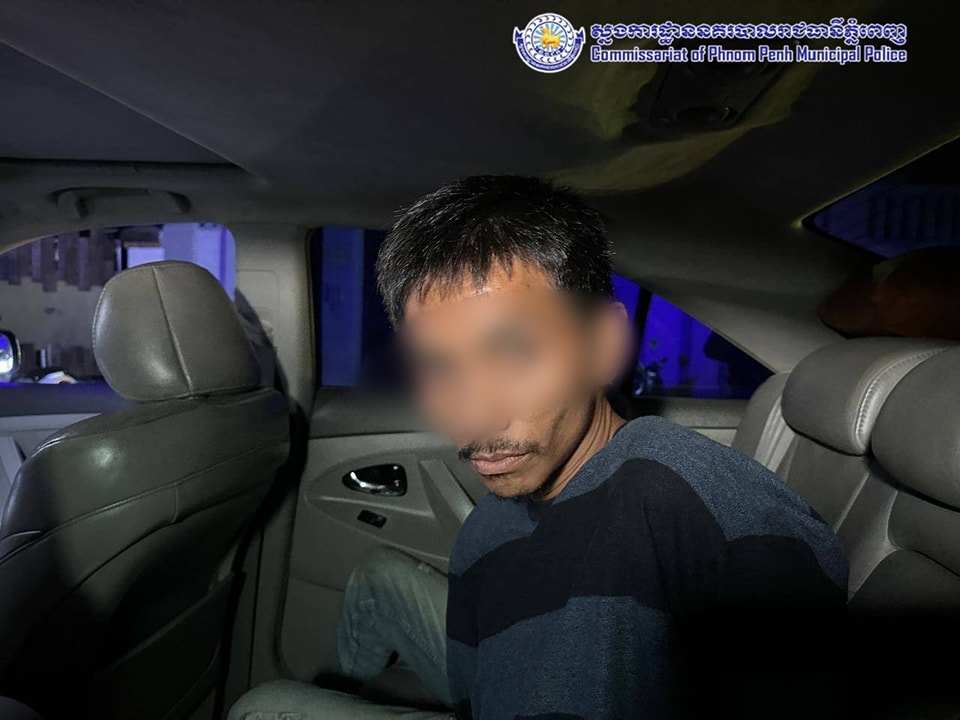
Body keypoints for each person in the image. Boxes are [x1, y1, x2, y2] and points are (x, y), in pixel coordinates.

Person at [229, 175, 848, 720]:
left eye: (514, 353)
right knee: (379, 578)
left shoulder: (707, 516)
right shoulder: (494, 523)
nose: (476, 416)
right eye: (438, 366)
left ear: (603, 345)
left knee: (262, 709)